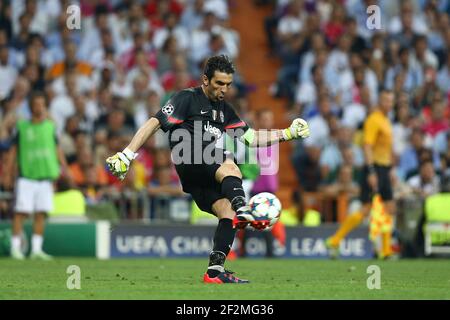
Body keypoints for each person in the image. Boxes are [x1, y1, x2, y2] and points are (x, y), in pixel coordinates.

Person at [106, 55, 310, 283]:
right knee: (230, 164)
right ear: (205, 80)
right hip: (190, 157)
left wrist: (287, 133)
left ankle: (215, 271)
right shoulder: (187, 98)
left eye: (228, 84)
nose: (224, 89)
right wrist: (128, 153)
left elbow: (251, 138)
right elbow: (155, 122)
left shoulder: (225, 110)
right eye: (219, 83)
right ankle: (243, 208)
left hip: (199, 178)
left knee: (227, 213)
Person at [326, 89, 396, 259]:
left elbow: (384, 149)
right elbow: (367, 145)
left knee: (387, 208)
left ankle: (385, 250)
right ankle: (335, 240)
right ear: (380, 101)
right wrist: (371, 171)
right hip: (375, 168)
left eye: (390, 100)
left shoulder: (386, 120)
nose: (388, 103)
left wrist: (389, 169)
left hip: (383, 168)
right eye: (385, 100)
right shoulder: (374, 120)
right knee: (367, 209)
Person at [2, 91, 69, 260]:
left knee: (41, 213)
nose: (39, 107)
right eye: (36, 104)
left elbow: (57, 149)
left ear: (45, 107)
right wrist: (8, 174)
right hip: (27, 177)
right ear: (31, 106)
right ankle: (16, 248)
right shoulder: (22, 127)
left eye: (41, 104)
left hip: (46, 178)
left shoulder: (50, 127)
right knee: (21, 213)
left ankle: (36, 250)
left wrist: (64, 168)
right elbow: (13, 151)